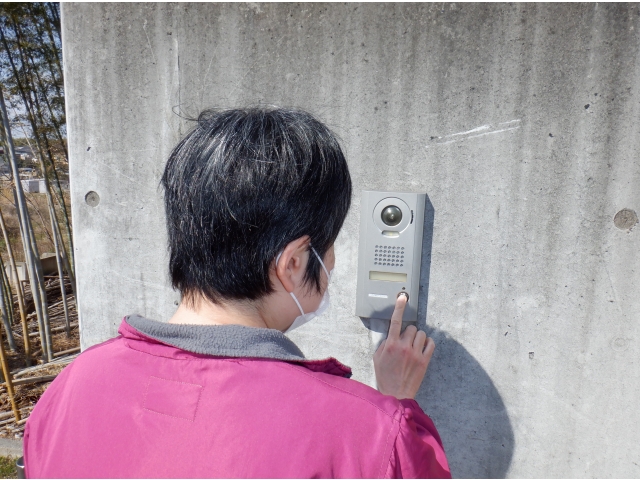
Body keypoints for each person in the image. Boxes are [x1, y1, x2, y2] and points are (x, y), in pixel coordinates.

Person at [23, 107, 451, 478]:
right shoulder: (370, 435)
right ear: (293, 264)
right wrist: (394, 409)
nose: (333, 262)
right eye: (330, 246)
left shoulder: (73, 386)